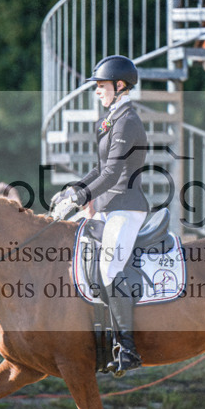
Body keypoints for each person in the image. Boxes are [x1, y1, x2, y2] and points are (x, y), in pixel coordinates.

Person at [50, 55, 148, 374]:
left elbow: (113, 173)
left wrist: (80, 197)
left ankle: (128, 348)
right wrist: (72, 189)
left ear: (119, 86)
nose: (97, 91)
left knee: (109, 268)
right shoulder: (109, 120)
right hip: (108, 206)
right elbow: (98, 169)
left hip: (126, 206)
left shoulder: (127, 121)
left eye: (101, 86)